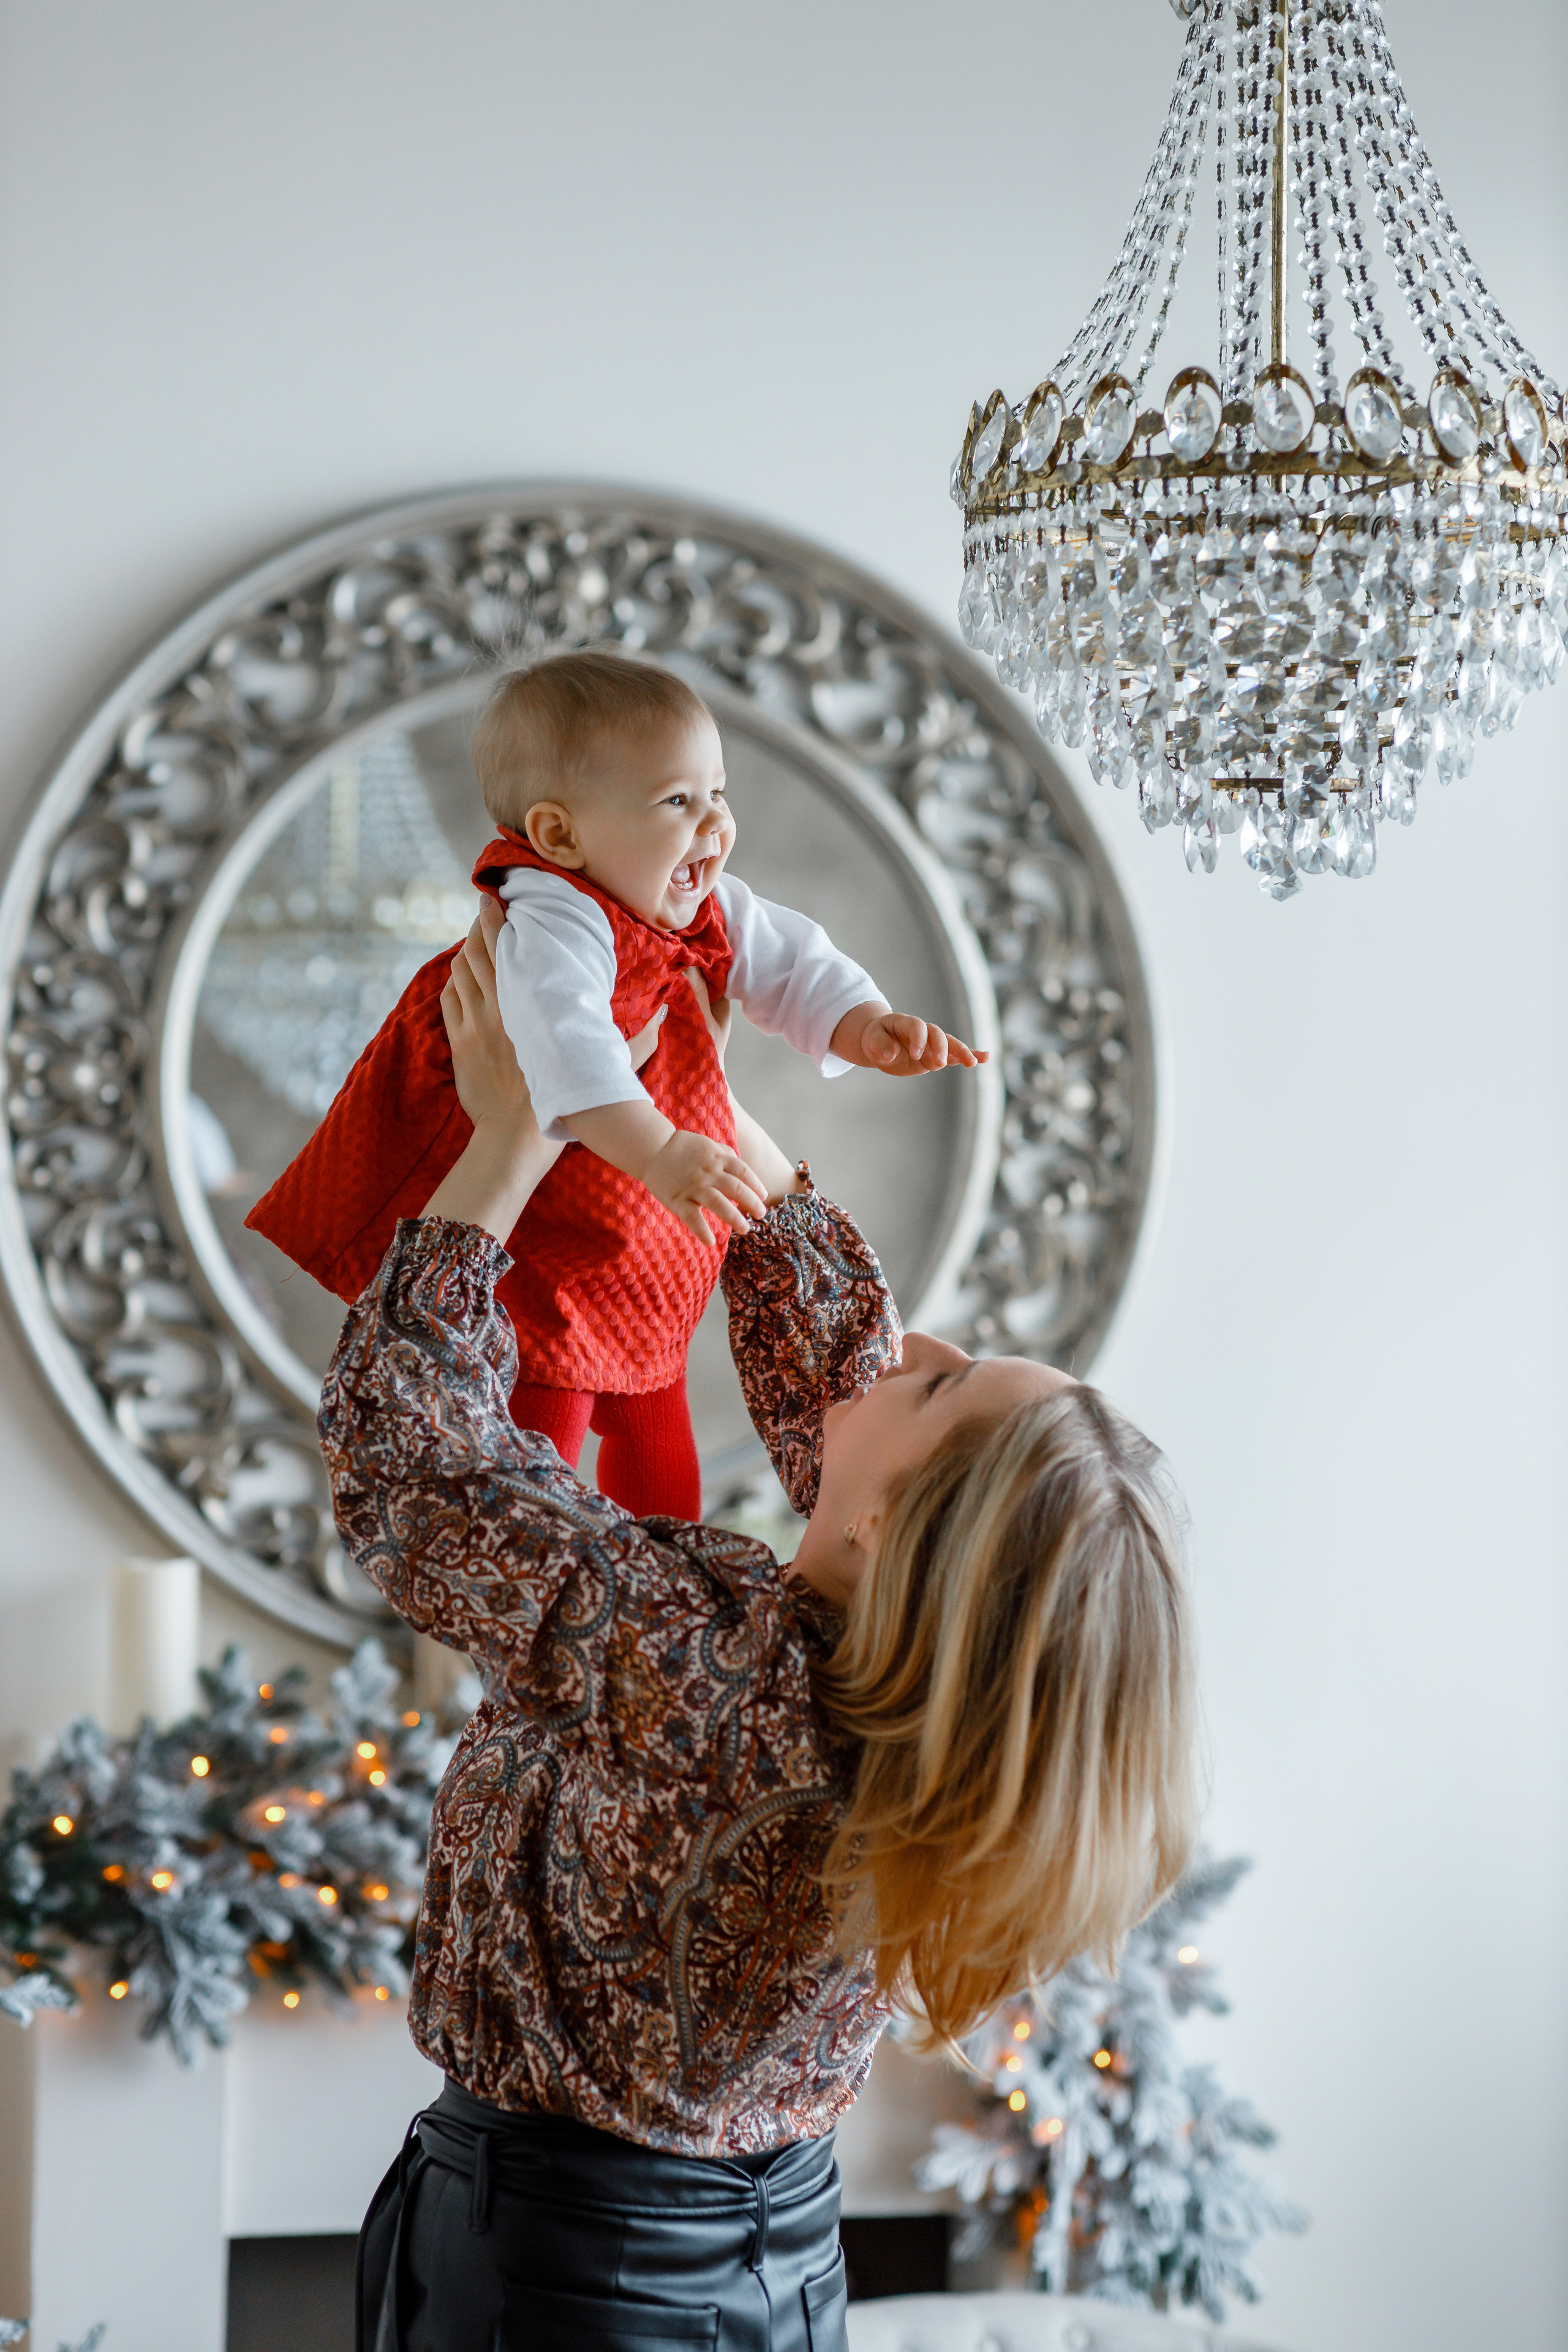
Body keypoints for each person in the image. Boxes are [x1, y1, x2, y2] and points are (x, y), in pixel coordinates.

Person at [319, 903, 1196, 2352]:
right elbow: (846, 1390)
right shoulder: (917, 1698)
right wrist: (698, 1111)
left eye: (942, 1379)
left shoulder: (708, 1664)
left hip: (561, 2277)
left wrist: (510, 1138)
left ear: (886, 1532)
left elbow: (416, 1472)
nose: (906, 1346)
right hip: (772, 2257)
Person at [254, 647, 986, 1521]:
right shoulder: (552, 913)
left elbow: (790, 956)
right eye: (678, 801)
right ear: (561, 835)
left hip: (640, 1209)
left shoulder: (690, 897)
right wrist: (664, 1147)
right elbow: (568, 1045)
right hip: (566, 1185)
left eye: (719, 794)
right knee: (547, 1395)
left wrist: (864, 1027)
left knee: (654, 1406)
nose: (713, 825)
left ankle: (672, 1555)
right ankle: (547, 1548)